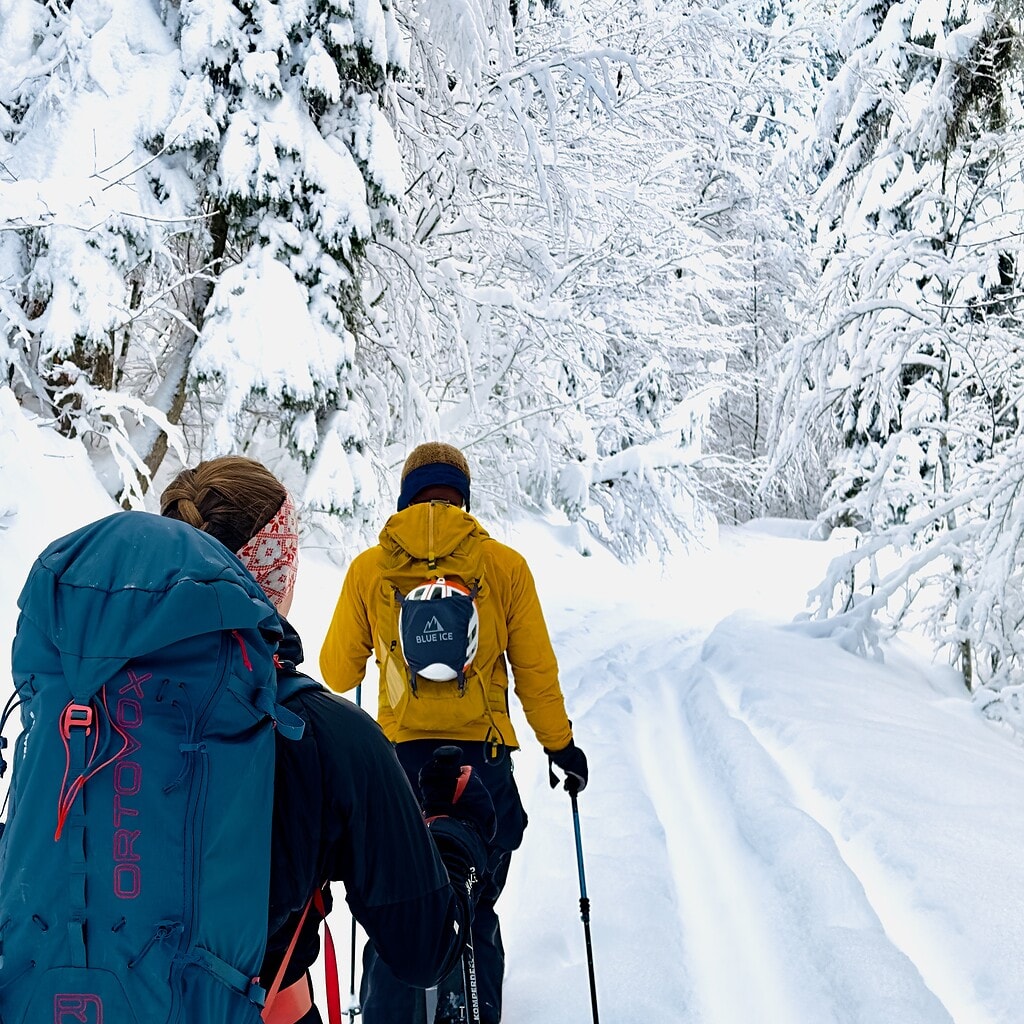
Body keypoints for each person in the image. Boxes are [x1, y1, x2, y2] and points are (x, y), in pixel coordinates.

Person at [160, 456, 495, 1024]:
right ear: (278, 577)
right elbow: (423, 950)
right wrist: (453, 832)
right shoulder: (323, 735)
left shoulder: (81, 708)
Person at [319, 441, 589, 1024]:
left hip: (398, 773)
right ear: (463, 499)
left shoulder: (371, 569)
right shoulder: (504, 568)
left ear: (406, 497)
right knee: (477, 902)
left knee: (397, 909)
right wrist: (561, 746)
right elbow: (535, 674)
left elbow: (337, 673)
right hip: (481, 771)